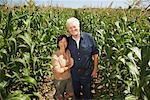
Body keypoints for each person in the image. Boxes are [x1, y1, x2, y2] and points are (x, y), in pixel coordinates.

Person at [66, 17, 99, 99]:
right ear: (68, 30)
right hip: (74, 74)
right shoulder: (67, 41)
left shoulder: (89, 38)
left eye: (74, 27)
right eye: (70, 28)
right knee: (76, 94)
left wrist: (95, 69)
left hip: (87, 73)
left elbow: (95, 54)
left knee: (87, 94)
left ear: (79, 26)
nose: (73, 29)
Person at [51, 35, 74, 100]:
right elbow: (59, 70)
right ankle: (57, 96)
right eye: (61, 42)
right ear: (58, 43)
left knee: (70, 94)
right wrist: (69, 66)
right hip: (59, 80)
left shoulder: (68, 52)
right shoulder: (55, 56)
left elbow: (71, 61)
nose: (63, 44)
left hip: (69, 78)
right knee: (60, 97)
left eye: (65, 42)